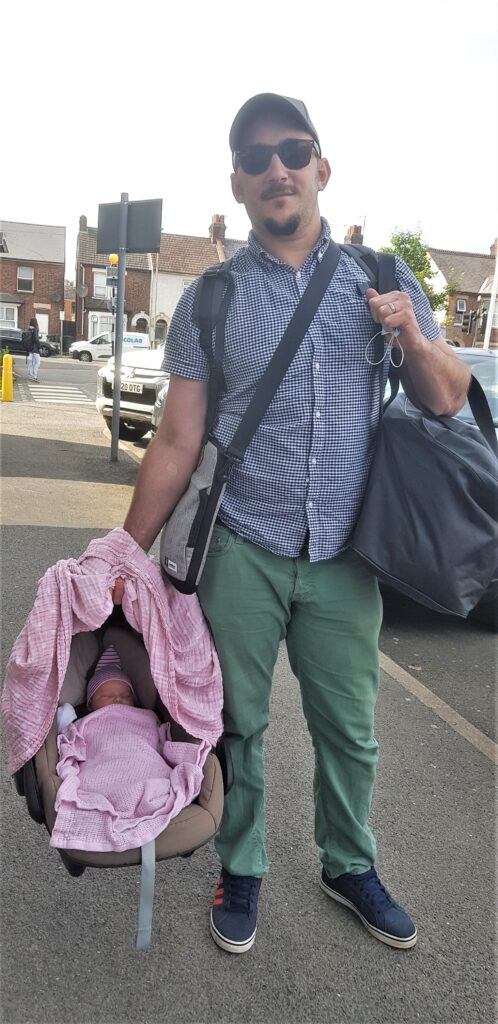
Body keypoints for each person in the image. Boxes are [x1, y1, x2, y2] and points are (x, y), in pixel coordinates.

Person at [119, 93, 471, 953]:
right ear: (237, 185)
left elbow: (449, 398)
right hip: (240, 544)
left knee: (350, 728)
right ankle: (241, 865)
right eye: (255, 156)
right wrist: (120, 555)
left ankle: (348, 863)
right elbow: (177, 435)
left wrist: (413, 341)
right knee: (234, 722)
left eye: (293, 150)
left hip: (347, 554)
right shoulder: (211, 298)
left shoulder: (383, 277)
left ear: (322, 168)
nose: (276, 167)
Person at [25, 317, 41, 382]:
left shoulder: (29, 329)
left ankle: (30, 376)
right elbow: (36, 339)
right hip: (35, 349)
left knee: (31, 363)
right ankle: (34, 376)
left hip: (30, 349)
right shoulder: (35, 329)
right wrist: (39, 347)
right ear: (36, 323)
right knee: (37, 362)